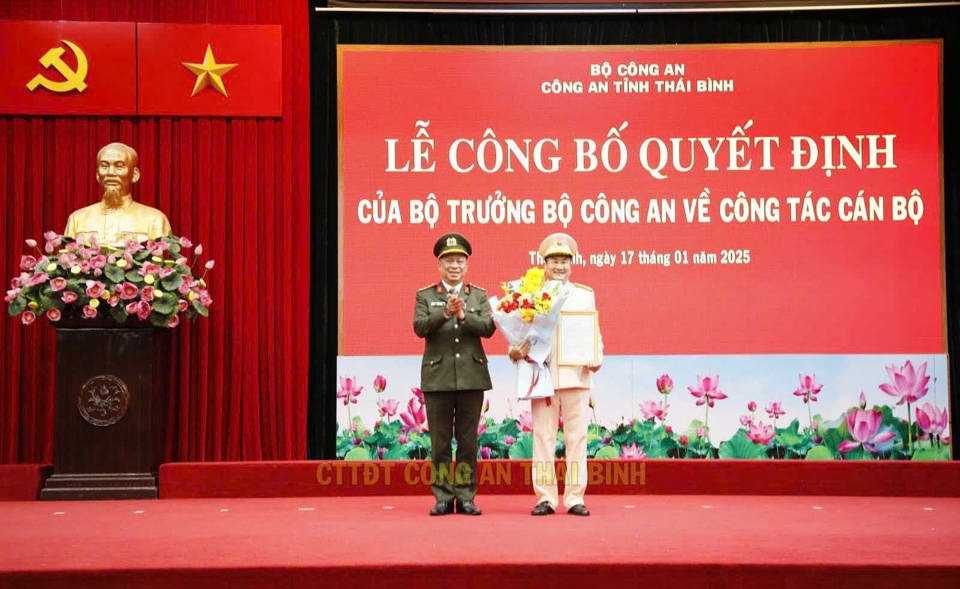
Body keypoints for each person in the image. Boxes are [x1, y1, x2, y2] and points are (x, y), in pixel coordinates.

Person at [509, 232, 603, 516]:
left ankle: (575, 498)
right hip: (543, 377)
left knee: (577, 439)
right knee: (543, 438)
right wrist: (514, 351)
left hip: (576, 375)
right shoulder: (532, 296)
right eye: (554, 261)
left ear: (571, 264)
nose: (560, 266)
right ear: (544, 264)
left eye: (564, 261)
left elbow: (593, 331)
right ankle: (546, 498)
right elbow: (519, 335)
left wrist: (596, 357)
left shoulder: (584, 295)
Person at [413, 233, 496, 516]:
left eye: (459, 261)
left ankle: (466, 495)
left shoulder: (479, 295)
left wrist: (463, 317)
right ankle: (443, 498)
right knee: (439, 443)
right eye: (449, 261)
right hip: (438, 379)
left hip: (472, 377)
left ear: (467, 264)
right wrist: (444, 314)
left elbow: (488, 328)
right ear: (439, 265)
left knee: (468, 442)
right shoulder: (425, 295)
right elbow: (420, 327)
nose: (454, 266)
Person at [64, 142, 171, 247]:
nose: (110, 173)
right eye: (104, 166)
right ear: (97, 175)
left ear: (134, 175)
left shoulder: (155, 219)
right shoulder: (77, 219)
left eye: (119, 167)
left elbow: (164, 262)